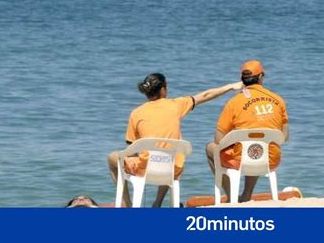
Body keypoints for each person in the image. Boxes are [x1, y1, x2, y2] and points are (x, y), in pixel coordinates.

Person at [108, 73, 243, 207]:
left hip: (145, 169)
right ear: (163, 90)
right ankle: (158, 202)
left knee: (112, 158)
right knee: (169, 155)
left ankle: (128, 204)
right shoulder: (176, 105)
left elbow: (131, 151)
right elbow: (205, 95)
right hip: (172, 169)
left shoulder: (136, 113)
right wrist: (230, 87)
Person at [206, 60, 289, 203]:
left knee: (210, 148)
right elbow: (285, 136)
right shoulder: (278, 100)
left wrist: (236, 137)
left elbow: (218, 140)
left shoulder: (234, 102)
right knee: (258, 145)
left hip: (242, 160)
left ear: (242, 80)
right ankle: (247, 194)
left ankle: (232, 197)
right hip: (271, 160)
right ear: (261, 77)